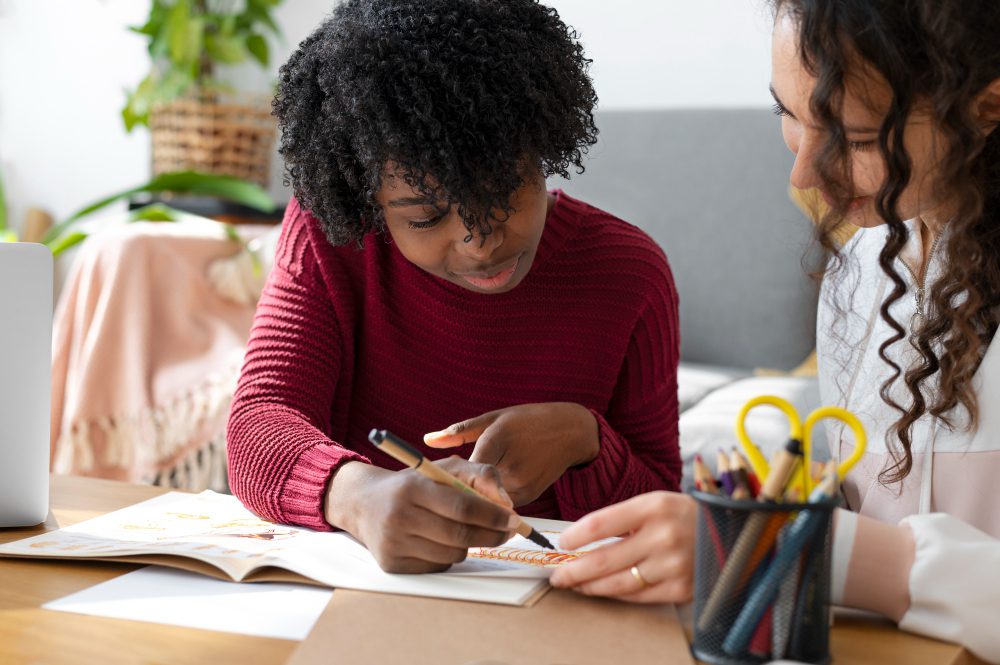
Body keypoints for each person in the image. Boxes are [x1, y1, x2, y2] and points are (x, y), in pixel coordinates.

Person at [550, 1, 1000, 660]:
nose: (803, 176)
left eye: (857, 135)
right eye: (787, 115)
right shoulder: (862, 270)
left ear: (987, 109)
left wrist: (822, 549)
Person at [226, 0, 682, 575]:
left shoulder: (630, 273)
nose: (478, 242)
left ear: (544, 148)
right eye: (424, 217)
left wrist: (583, 439)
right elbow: (257, 425)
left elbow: (665, 506)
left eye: (504, 194)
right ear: (369, 200)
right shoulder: (332, 236)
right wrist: (358, 497)